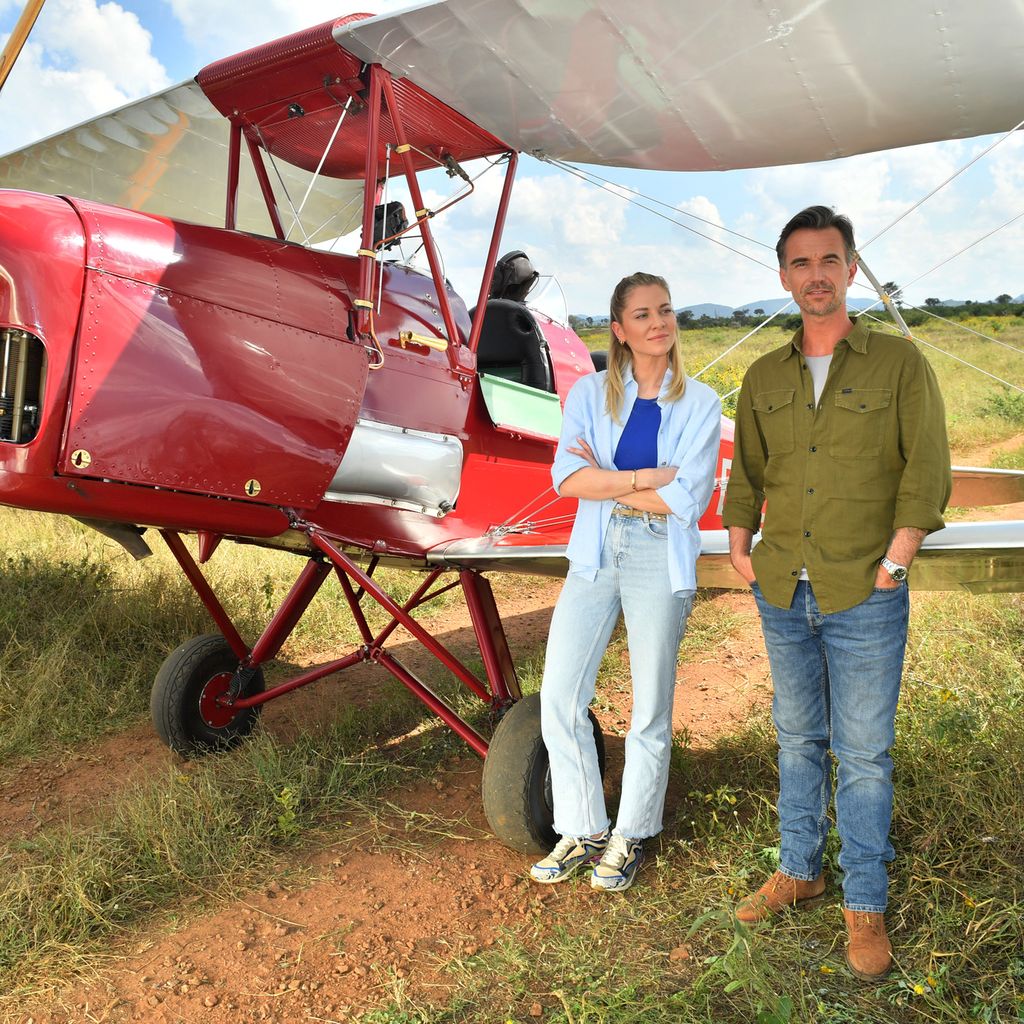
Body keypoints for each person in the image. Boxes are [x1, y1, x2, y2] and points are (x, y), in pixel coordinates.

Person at [723, 206, 951, 980]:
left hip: (866, 591)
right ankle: (799, 867)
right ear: (783, 276)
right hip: (783, 587)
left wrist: (896, 560)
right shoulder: (762, 375)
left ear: (851, 269)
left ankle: (864, 902)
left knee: (863, 756)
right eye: (800, 264)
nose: (815, 276)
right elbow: (746, 473)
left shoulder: (898, 364)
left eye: (829, 261)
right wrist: (738, 549)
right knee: (795, 739)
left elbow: (926, 466)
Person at [529, 271, 721, 893]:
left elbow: (687, 497)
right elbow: (566, 479)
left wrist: (610, 479)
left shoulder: (702, 403)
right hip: (593, 552)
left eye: (665, 310)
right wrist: (644, 479)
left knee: (649, 707)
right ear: (619, 329)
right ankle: (583, 826)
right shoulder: (587, 394)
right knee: (560, 694)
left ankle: (630, 833)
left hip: (657, 556)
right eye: (642, 314)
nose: (658, 323)